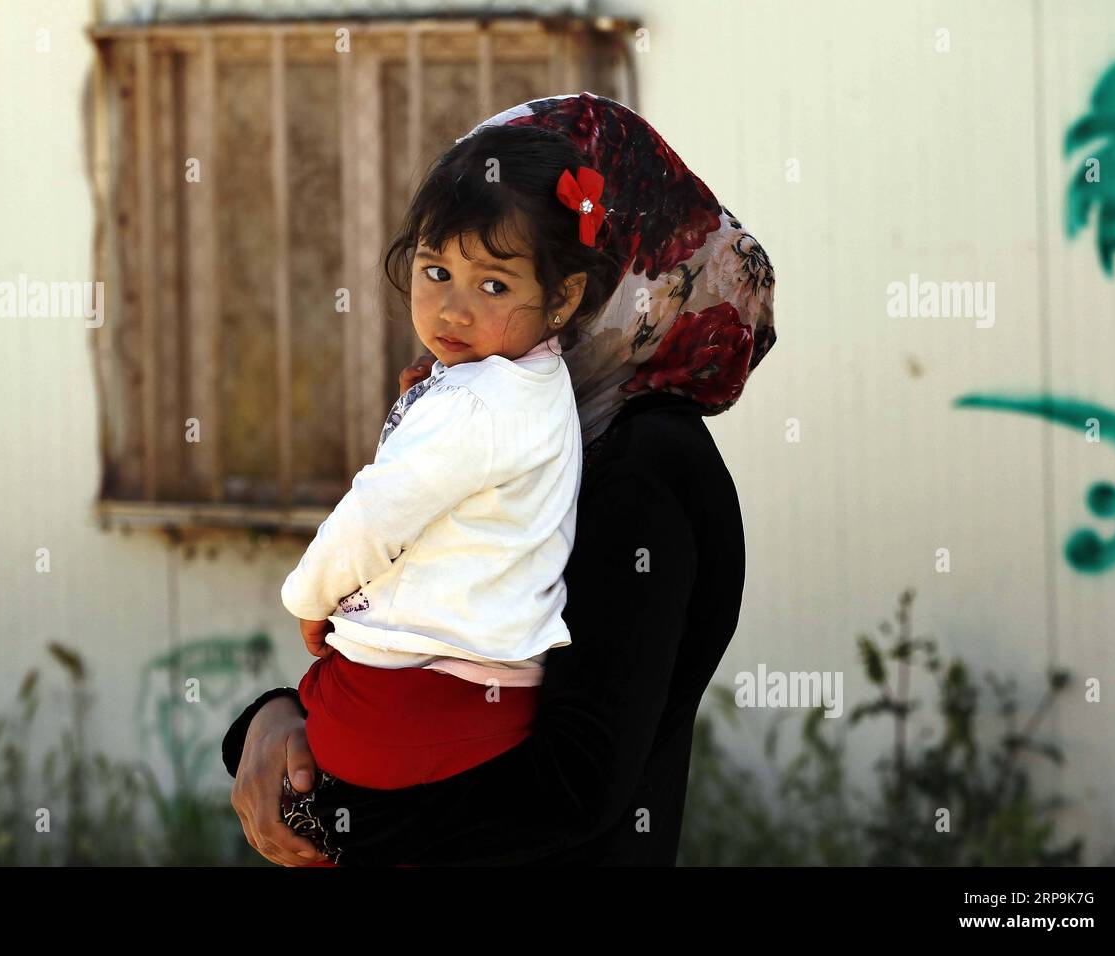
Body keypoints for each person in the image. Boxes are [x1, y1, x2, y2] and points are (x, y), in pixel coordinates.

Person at [224, 91, 777, 866]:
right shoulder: (520, 413)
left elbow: (571, 784)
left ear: (589, 277)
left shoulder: (646, 468)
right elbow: (429, 637)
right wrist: (275, 720)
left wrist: (337, 815)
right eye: (437, 263)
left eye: (498, 273)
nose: (455, 302)